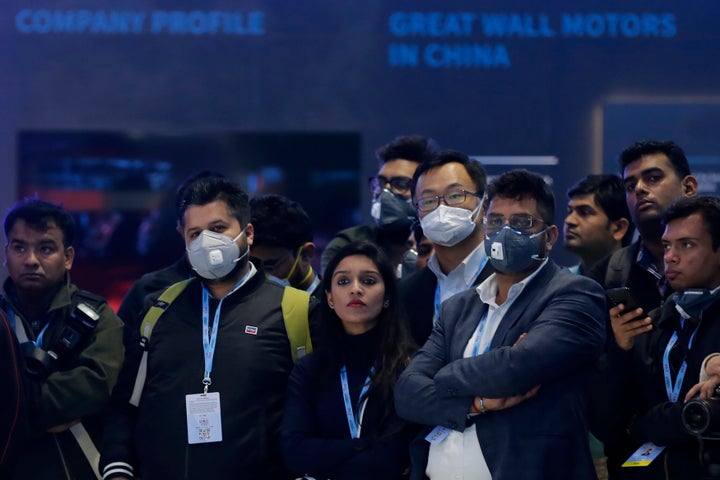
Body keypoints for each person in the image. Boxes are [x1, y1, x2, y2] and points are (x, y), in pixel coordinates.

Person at [100, 174, 318, 479]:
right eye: (195, 234)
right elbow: (124, 404)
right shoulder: (158, 309)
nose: (207, 242)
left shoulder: (294, 310)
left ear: (248, 233)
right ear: (184, 239)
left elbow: (319, 411)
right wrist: (118, 469)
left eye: (218, 229)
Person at [394, 169, 606, 480]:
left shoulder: (575, 294)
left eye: (522, 223)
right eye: (495, 222)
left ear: (549, 238)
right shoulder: (459, 308)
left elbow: (515, 369)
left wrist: (444, 374)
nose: (505, 231)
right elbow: (407, 392)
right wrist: (476, 404)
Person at [586, 140, 698, 477]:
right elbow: (599, 407)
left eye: (652, 178)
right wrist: (620, 351)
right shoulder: (604, 278)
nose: (640, 191)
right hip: (635, 462)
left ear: (689, 187)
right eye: (630, 185)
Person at [594, 195, 720, 479]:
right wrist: (620, 351)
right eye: (667, 246)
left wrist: (644, 424)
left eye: (686, 245)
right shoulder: (656, 322)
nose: (670, 257)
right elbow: (607, 424)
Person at [1, 199, 124, 479]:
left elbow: (96, 384)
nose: (31, 260)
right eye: (20, 247)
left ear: (68, 257)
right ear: (6, 253)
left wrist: (14, 408)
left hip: (76, 468)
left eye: (45, 248)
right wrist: (53, 410)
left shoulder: (98, 317)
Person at [281, 241, 416, 479]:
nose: (355, 289)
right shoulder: (310, 369)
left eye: (369, 281)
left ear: (387, 297)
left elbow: (394, 457)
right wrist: (366, 446)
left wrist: (327, 456)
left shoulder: (409, 364)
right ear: (330, 298)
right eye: (343, 281)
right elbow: (294, 450)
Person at [398, 150, 492, 347]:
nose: (442, 209)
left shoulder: (514, 279)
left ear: (484, 205)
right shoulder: (406, 293)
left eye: (455, 195)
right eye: (429, 200)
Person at [322, 134, 439, 276]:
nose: (385, 192)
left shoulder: (440, 245)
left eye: (400, 184)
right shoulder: (349, 244)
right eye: (381, 183)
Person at [250, 193, 322, 297]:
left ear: (306, 254)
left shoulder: (335, 308)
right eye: (251, 267)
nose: (259, 278)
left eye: (270, 267)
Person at [564, 174, 633, 275]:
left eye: (584, 212)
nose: (569, 220)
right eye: (570, 211)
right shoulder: (559, 284)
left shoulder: (642, 284)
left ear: (619, 228)